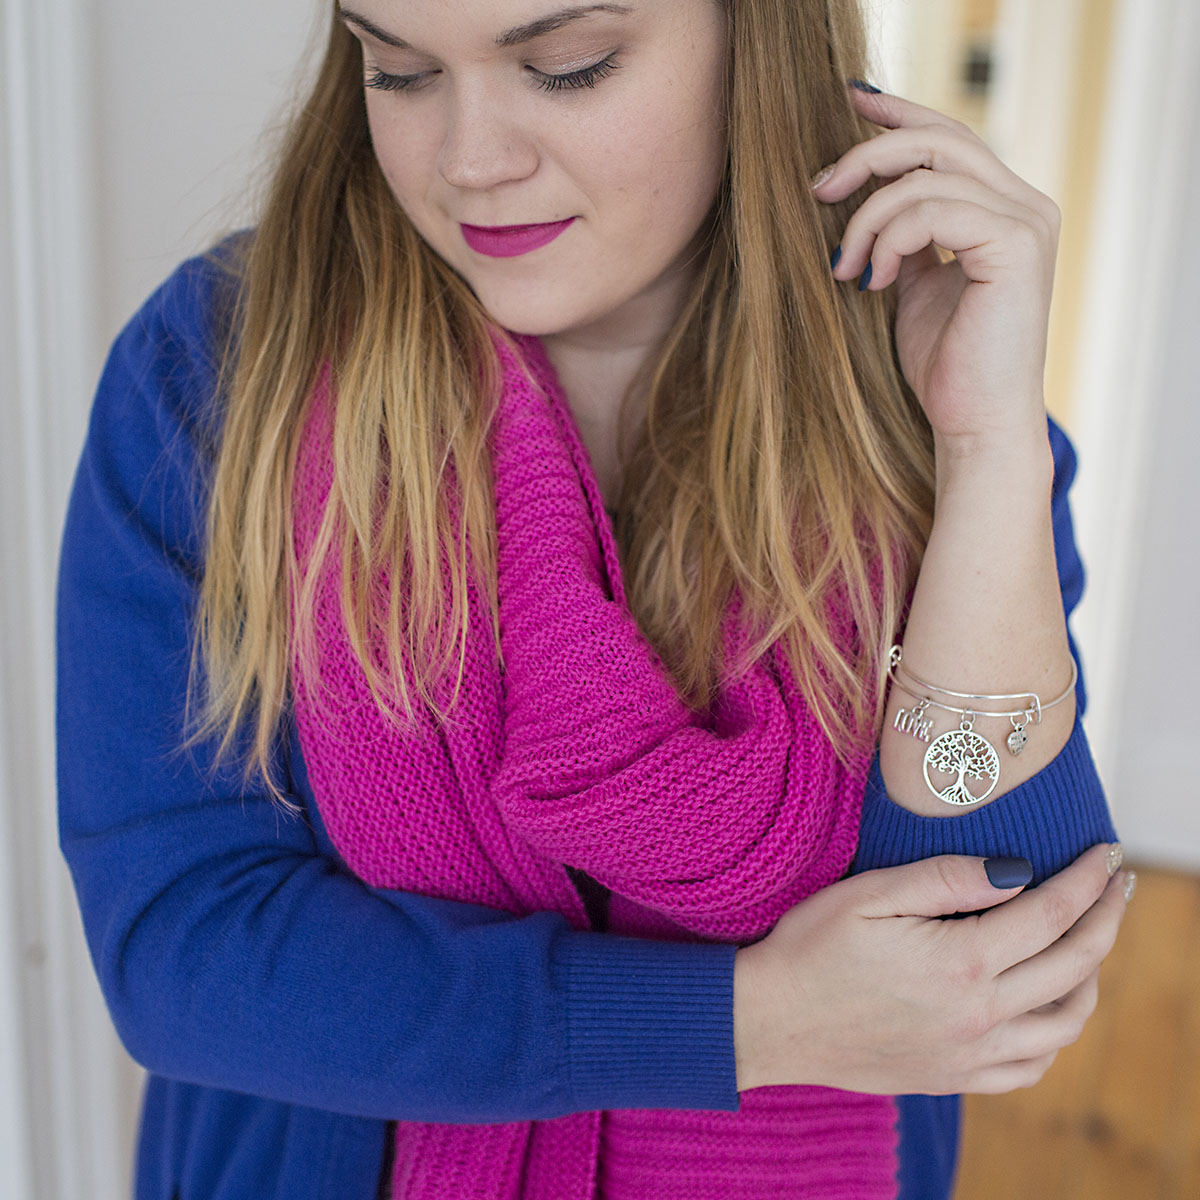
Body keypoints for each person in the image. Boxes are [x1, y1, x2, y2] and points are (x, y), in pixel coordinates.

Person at [56, 2, 1127, 1198]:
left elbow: (1002, 955)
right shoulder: (220, 369)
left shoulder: (919, 411)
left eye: (567, 68)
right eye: (397, 70)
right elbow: (182, 950)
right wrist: (741, 1023)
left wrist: (986, 451)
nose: (471, 160)